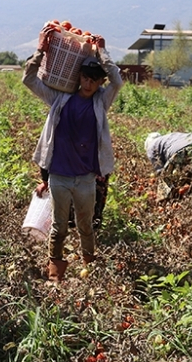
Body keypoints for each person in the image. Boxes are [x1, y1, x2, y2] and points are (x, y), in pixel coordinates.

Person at [24, 25, 124, 281]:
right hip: (60, 176)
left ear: (100, 82)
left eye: (94, 80)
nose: (89, 83)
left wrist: (101, 51)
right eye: (85, 78)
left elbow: (118, 80)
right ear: (79, 77)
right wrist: (41, 49)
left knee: (86, 226)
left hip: (86, 178)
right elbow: (29, 79)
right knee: (58, 228)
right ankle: (55, 272)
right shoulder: (60, 99)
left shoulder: (101, 101)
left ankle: (90, 267)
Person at [144, 131, 192, 201]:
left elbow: (161, 172)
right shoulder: (169, 137)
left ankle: (164, 202)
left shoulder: (150, 147)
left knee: (165, 184)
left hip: (179, 151)